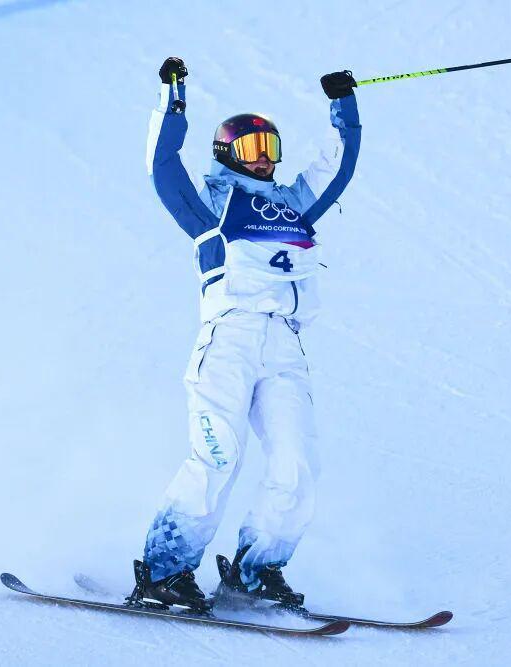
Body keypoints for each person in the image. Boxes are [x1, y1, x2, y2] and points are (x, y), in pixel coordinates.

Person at [127, 56, 360, 612]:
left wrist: (344, 106)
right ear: (227, 152)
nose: (263, 159)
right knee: (218, 456)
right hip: (229, 338)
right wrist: (173, 97)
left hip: (285, 345)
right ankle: (165, 571)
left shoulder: (294, 207)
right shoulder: (212, 204)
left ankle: (256, 570)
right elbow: (162, 165)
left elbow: (338, 167)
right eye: (252, 148)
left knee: (296, 465)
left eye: (270, 148)